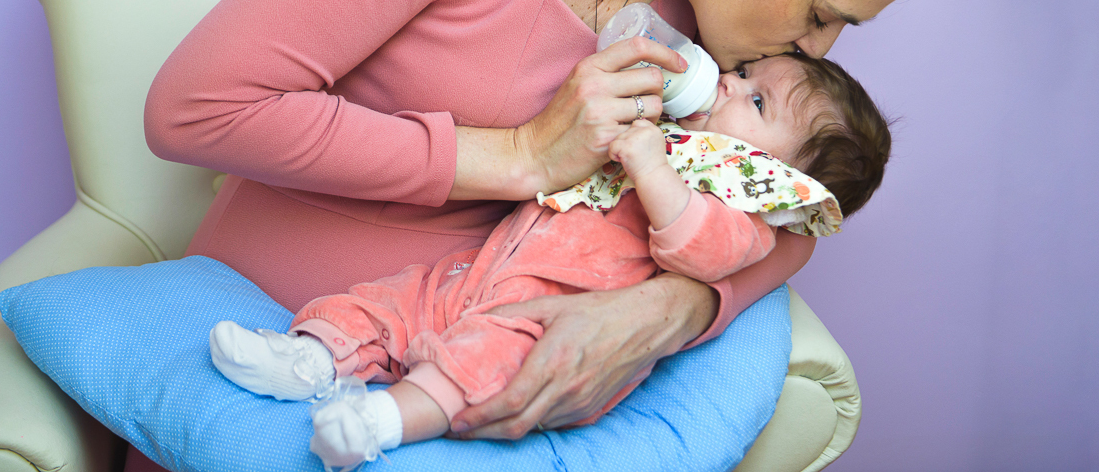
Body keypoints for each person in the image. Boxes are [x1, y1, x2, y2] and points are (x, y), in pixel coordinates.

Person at [144, 0, 953, 444]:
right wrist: (522, 155)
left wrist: (668, 307)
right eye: (823, 15)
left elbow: (792, 208)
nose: (816, 49)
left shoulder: (708, 32)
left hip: (471, 376)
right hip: (272, 343)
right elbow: (196, 107)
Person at [208, 53, 888, 469]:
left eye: (758, 100)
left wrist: (653, 167)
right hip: (480, 271)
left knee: (483, 362)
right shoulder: (674, 132)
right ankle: (309, 359)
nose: (731, 86)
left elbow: (702, 250)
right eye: (743, 73)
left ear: (784, 177)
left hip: (547, 316)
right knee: (391, 301)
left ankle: (379, 422)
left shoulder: (739, 205)